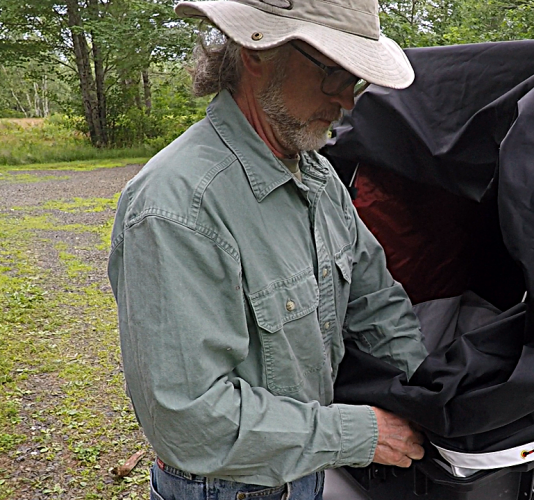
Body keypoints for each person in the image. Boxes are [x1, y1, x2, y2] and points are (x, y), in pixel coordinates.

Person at [106, 1, 429, 499]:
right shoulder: (178, 206)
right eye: (336, 74)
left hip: (305, 471)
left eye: (357, 82)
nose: (347, 102)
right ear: (256, 51)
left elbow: (374, 300)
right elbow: (187, 419)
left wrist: (429, 394)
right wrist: (361, 434)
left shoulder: (319, 179)